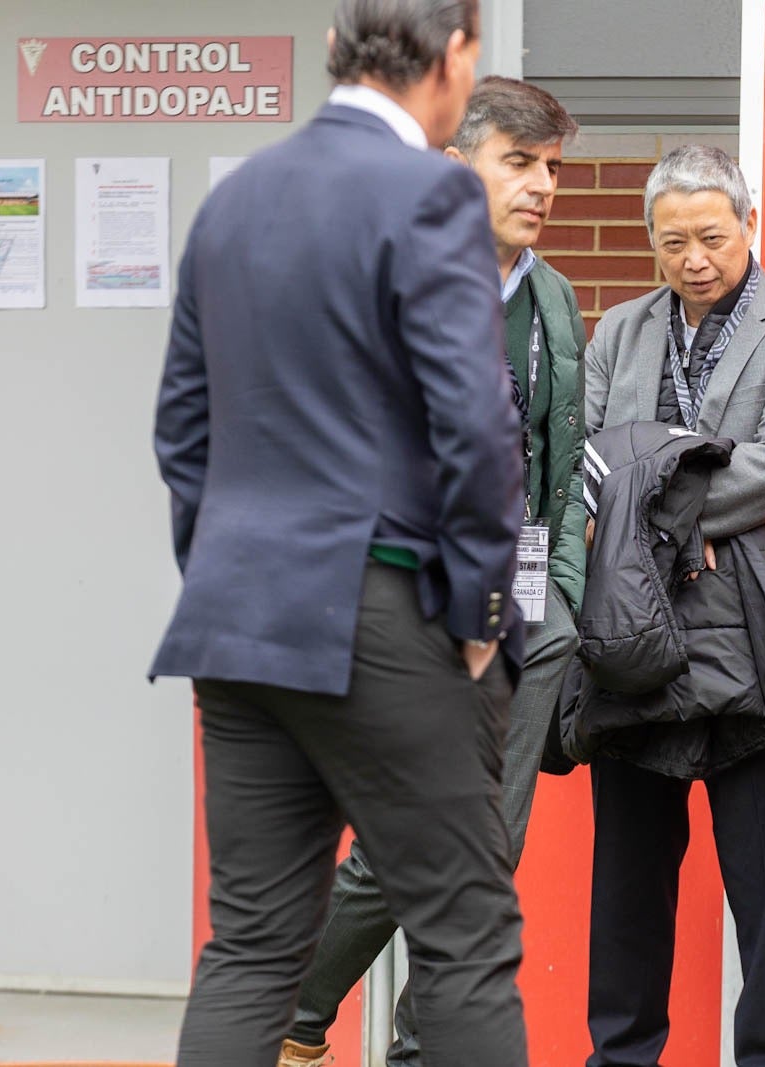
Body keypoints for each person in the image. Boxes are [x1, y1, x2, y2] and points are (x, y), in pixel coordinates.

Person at [150, 2, 530, 1064]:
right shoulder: (432, 190)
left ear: (333, 52)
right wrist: (480, 609)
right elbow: (476, 420)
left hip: (237, 618)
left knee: (253, 945)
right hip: (382, 602)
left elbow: (182, 431)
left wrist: (228, 569)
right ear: (457, 57)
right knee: (466, 936)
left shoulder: (234, 200)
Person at [277, 75, 585, 1067]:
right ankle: (293, 1008)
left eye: (552, 169)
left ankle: (416, 1049)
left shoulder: (552, 297)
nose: (542, 187)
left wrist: (563, 606)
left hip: (525, 623)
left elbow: (562, 461)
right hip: (407, 613)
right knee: (405, 846)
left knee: (483, 861)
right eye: (520, 162)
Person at [583, 144, 765, 1067]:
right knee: (626, 891)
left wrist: (647, 506)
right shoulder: (616, 332)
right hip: (634, 640)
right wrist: (667, 516)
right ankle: (621, 1056)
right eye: (670, 242)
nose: (692, 258)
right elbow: (588, 458)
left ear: (748, 223)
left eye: (708, 235)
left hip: (761, 640)